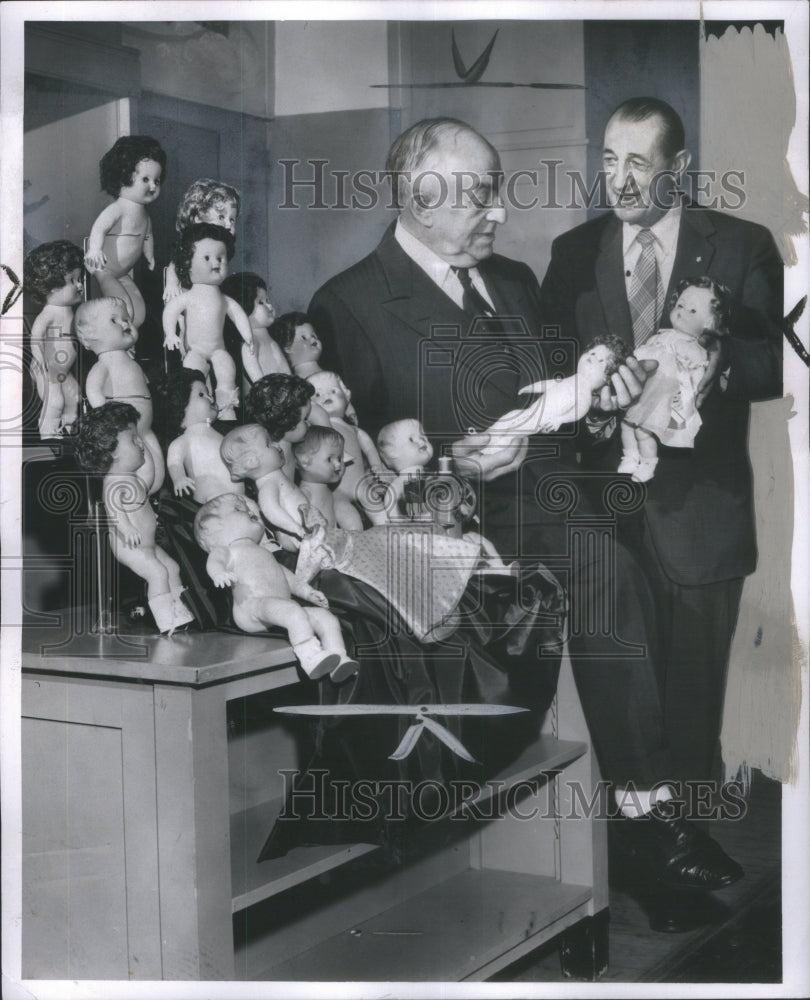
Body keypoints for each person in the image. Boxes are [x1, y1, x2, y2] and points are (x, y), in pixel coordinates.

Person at [309, 115, 745, 909]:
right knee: (601, 559)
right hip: (456, 520)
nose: (499, 212)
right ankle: (648, 817)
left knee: (653, 554)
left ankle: (646, 827)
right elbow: (346, 459)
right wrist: (452, 462)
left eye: (495, 191)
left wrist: (603, 402)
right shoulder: (348, 304)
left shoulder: (512, 280)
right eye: (478, 197)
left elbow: (557, 403)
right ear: (417, 200)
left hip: (554, 495)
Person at [538, 98, 783, 784]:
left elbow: (781, 358)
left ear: (679, 167)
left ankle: (690, 840)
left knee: (692, 699)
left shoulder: (742, 244)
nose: (618, 180)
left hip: (702, 516)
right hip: (605, 516)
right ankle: (634, 839)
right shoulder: (573, 252)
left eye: (638, 163)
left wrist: (716, 365)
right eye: (610, 160)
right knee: (621, 696)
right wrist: (590, 413)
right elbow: (556, 369)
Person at [73, 401, 193, 634]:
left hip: (146, 544)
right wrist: (126, 528)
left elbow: (148, 473)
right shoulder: (114, 483)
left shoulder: (131, 477)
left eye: (138, 438)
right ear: (111, 451)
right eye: (133, 439)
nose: (139, 443)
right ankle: (167, 618)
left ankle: (181, 609)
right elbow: (114, 509)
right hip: (130, 546)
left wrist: (144, 438)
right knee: (157, 573)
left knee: (172, 567)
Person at [619, 277, 731, 483]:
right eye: (680, 304)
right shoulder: (661, 336)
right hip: (645, 391)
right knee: (627, 424)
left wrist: (686, 398)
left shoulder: (694, 348)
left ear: (709, 323)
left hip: (664, 396)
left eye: (693, 311)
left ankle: (648, 463)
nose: (681, 311)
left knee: (644, 431)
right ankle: (630, 456)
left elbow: (698, 377)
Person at [162, 222, 254, 420]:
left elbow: (238, 315)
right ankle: (196, 416)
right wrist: (170, 333)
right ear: (187, 263)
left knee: (227, 373)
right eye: (207, 258)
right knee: (193, 381)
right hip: (195, 350)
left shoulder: (223, 298)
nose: (216, 262)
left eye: (221, 258)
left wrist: (248, 337)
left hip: (219, 349)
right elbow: (171, 310)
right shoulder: (189, 296)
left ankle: (227, 411)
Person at [74, 296, 165, 491]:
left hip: (146, 427)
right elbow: (93, 390)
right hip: (127, 429)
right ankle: (135, 502)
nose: (125, 323)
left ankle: (150, 501)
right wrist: (109, 418)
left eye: (126, 319)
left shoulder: (130, 361)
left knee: (158, 470)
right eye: (114, 320)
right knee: (142, 470)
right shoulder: (104, 364)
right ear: (90, 335)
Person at [84, 135, 166, 328]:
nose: (153, 186)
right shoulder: (118, 208)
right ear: (123, 176)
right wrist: (95, 249)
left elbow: (147, 236)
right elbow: (99, 227)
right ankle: (116, 343)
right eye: (145, 179)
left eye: (157, 180)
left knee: (138, 312)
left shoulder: (145, 215)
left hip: (122, 272)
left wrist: (149, 255)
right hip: (104, 268)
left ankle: (128, 342)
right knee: (122, 307)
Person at [23, 240, 84, 439]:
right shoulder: (49, 313)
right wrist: (39, 358)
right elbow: (36, 337)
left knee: (74, 396)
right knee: (55, 401)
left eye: (80, 278)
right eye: (73, 280)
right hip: (46, 369)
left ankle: (67, 427)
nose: (80, 285)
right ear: (52, 288)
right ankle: (47, 433)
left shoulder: (74, 312)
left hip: (62, 371)